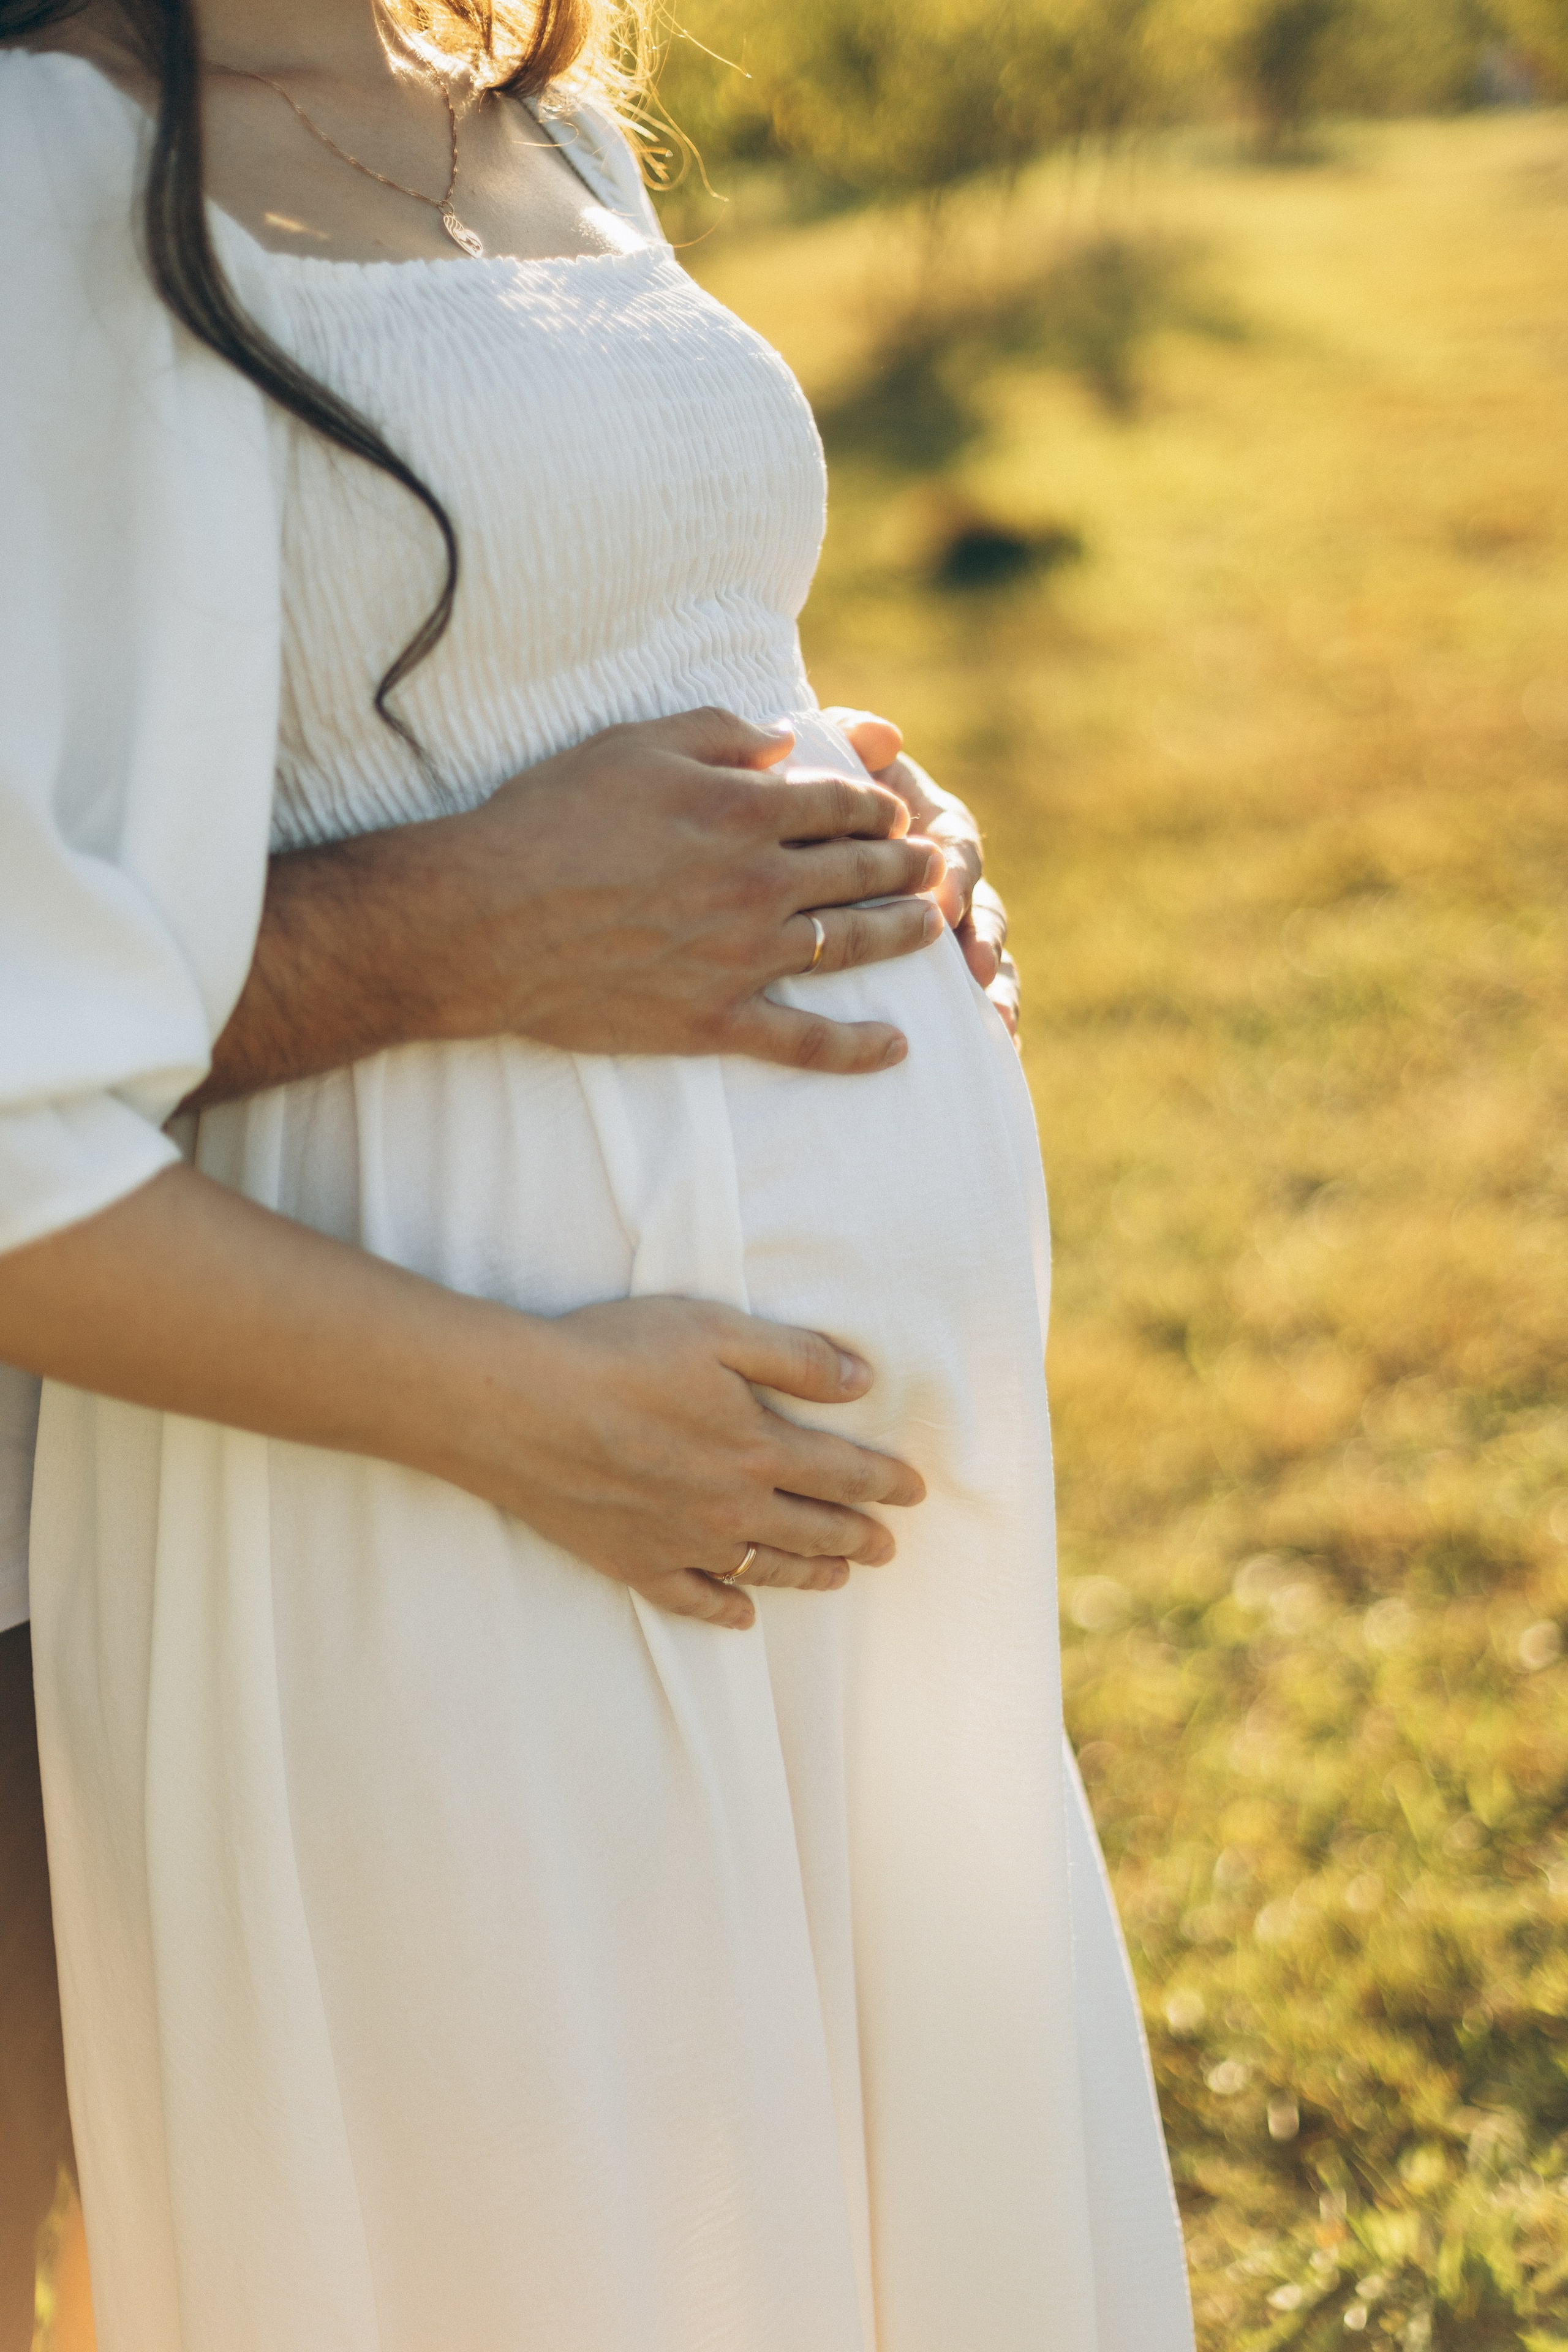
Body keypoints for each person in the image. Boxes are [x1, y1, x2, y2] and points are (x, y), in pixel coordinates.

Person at [0, 2, 1196, 2348]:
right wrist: (535, 1408)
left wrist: (836, 795)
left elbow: (550, 641)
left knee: (856, 2213)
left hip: (843, 1542)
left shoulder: (530, 112)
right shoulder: (63, 160)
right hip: (444, 1453)